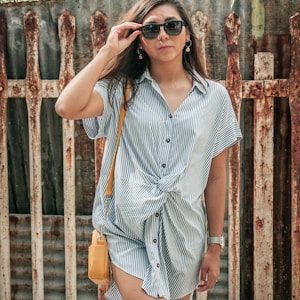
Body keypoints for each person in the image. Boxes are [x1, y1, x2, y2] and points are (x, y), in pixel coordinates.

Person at [55, 0, 242, 299]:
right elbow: (66, 106)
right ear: (140, 41)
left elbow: (216, 178)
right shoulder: (119, 89)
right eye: (151, 29)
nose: (163, 35)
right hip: (126, 228)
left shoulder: (214, 98)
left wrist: (214, 245)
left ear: (187, 36)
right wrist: (108, 51)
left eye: (172, 26)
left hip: (183, 235)